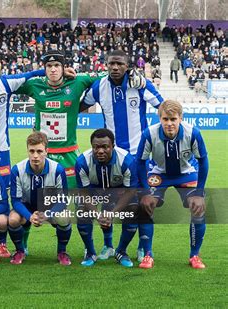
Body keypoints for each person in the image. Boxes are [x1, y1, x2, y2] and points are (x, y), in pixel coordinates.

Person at [0, 54, 74, 257]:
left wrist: (62, 72)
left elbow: (32, 73)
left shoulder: (7, 84)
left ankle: (0, 243)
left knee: (2, 199)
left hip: (1, 152)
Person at [16, 50, 146, 189]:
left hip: (68, 152)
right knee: (39, 196)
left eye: (57, 65)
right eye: (49, 66)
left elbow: (107, 74)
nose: (53, 69)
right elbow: (7, 82)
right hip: (43, 151)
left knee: (78, 196)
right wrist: (37, 73)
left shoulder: (77, 81)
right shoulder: (34, 84)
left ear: (63, 67)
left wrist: (130, 72)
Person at [82, 49, 164, 262]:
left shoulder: (139, 84)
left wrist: (145, 82)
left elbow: (162, 107)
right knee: (108, 200)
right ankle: (108, 246)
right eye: (111, 64)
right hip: (110, 157)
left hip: (140, 156)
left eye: (120, 64)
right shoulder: (100, 86)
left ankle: (145, 248)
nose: (115, 67)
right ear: (106, 65)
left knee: (143, 204)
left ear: (127, 66)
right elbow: (82, 103)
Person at [136, 100, 209, 269]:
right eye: (165, 119)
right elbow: (140, 163)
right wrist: (145, 192)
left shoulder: (193, 133)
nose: (169, 124)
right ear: (159, 118)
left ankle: (195, 255)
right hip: (158, 173)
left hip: (186, 174)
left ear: (180, 118)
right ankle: (147, 254)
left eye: (173, 119)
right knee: (145, 206)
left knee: (198, 208)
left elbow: (203, 162)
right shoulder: (149, 134)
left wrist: (199, 192)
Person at [75, 129, 139, 267]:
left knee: (134, 209)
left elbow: (130, 191)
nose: (100, 151)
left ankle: (121, 251)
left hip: (119, 190)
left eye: (105, 147)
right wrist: (97, 215)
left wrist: (112, 213)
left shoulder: (126, 161)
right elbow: (84, 193)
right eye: (96, 147)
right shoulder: (82, 162)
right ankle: (91, 252)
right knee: (81, 210)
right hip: (94, 190)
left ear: (113, 146)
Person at [8, 132, 72, 265]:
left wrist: (48, 214)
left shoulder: (57, 170)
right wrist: (29, 216)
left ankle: (62, 252)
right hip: (27, 206)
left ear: (46, 151)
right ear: (27, 151)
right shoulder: (17, 170)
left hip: (50, 207)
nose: (35, 155)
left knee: (65, 217)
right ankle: (20, 251)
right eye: (31, 151)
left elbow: (63, 200)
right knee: (13, 219)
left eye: (39, 151)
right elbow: (15, 201)